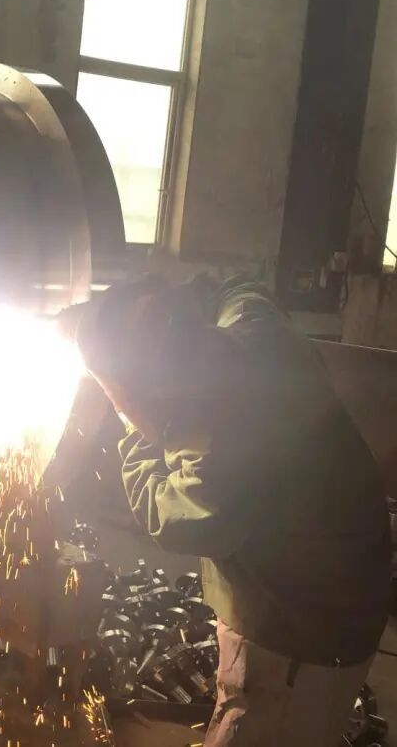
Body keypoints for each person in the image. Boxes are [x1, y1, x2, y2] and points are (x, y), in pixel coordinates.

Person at [63, 274, 391, 746]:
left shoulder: (216, 452)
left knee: (258, 724)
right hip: (343, 591)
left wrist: (131, 427)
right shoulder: (255, 330)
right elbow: (240, 289)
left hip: (298, 639)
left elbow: (167, 515)